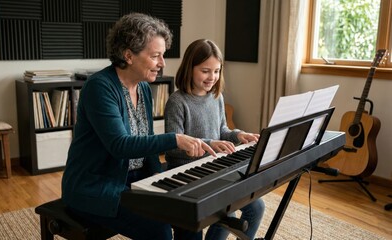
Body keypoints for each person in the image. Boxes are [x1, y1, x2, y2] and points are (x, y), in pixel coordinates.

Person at [61, 14, 216, 240]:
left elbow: (147, 139)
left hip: (135, 178)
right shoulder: (99, 87)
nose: (162, 63)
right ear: (128, 55)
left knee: (188, 210)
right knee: (159, 230)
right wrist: (175, 138)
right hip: (96, 185)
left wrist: (158, 178)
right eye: (155, 56)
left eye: (162, 55)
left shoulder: (143, 87)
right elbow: (120, 145)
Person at [164, 39, 265, 240]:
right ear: (189, 68)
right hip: (187, 175)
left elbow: (222, 130)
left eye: (217, 71)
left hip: (215, 169)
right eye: (205, 71)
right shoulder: (177, 101)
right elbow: (172, 148)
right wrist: (209, 143)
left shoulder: (216, 97)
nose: (212, 77)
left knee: (256, 207)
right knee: (204, 225)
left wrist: (238, 135)